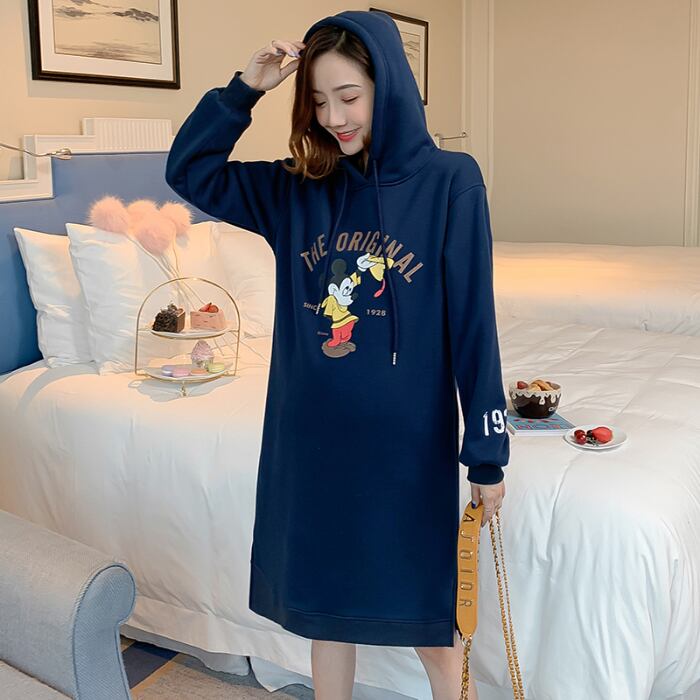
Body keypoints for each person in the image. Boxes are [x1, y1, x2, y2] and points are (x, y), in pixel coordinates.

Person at [165, 10, 510, 700]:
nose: (334, 118)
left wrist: (487, 449)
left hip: (407, 448)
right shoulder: (297, 187)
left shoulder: (451, 181)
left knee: (432, 629)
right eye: (319, 101)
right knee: (327, 619)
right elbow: (190, 171)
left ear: (388, 87)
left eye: (349, 97)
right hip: (311, 444)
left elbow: (474, 321)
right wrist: (244, 89)